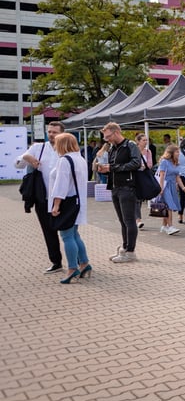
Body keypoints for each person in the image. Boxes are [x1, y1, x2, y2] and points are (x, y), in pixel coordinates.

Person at [16, 121, 64, 273]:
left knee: (68, 231)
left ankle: (78, 261)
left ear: (62, 133)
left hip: (62, 197)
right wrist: (26, 157)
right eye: (49, 132)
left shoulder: (66, 149)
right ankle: (56, 262)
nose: (51, 134)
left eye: (54, 132)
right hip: (42, 197)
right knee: (48, 231)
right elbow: (18, 164)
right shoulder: (38, 148)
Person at [48, 133, 91, 284]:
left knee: (66, 236)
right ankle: (84, 263)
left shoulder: (64, 160)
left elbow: (61, 184)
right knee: (74, 234)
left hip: (67, 202)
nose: (54, 145)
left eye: (56, 143)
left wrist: (56, 204)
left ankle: (72, 268)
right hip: (78, 201)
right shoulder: (80, 159)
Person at [99, 122, 142, 263]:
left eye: (108, 136)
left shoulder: (130, 145)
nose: (107, 139)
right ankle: (125, 247)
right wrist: (106, 169)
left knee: (129, 220)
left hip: (127, 187)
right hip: (115, 187)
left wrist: (112, 167)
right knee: (123, 221)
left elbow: (136, 163)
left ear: (116, 132)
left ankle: (130, 251)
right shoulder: (113, 148)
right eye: (105, 137)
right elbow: (113, 167)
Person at [157, 144, 184, 235]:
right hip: (165, 185)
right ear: (172, 153)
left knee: (166, 206)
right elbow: (161, 175)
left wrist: (183, 187)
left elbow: (177, 177)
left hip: (172, 186)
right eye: (177, 152)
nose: (178, 153)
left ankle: (164, 226)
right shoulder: (164, 162)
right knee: (169, 206)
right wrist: (161, 188)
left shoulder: (175, 162)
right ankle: (170, 226)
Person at [134, 133, 154, 230]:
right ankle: (138, 220)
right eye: (144, 140)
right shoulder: (134, 150)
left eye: (146, 140)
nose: (146, 142)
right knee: (136, 199)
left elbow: (150, 164)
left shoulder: (148, 152)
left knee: (140, 198)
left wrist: (144, 166)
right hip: (134, 176)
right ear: (138, 141)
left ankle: (136, 218)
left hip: (143, 176)